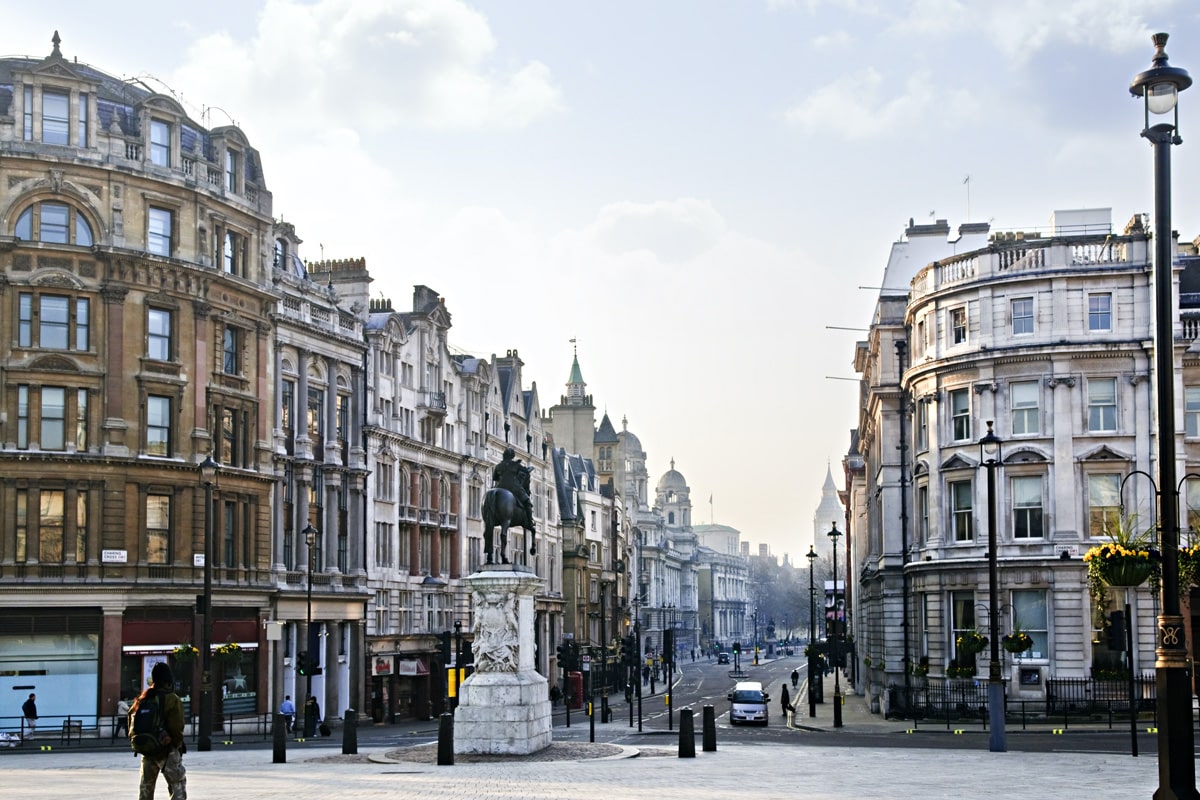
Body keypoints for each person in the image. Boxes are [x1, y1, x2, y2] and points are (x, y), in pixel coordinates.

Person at [135, 662, 186, 800]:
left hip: (147, 749)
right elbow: (177, 726)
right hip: (166, 750)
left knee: (146, 789)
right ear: (168, 680)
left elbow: (132, 722)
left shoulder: (144, 698)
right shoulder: (172, 699)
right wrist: (175, 743)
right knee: (177, 786)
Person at [492, 447, 534, 529]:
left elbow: (495, 478)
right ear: (512, 456)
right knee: (527, 502)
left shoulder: (498, 466)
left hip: (499, 487)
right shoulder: (515, 465)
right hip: (513, 487)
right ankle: (530, 521)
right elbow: (525, 471)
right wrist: (529, 469)